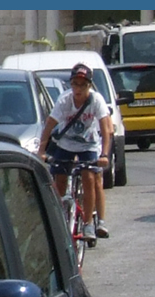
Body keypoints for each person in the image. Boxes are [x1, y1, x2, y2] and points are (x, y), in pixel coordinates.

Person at [37, 63, 113, 244]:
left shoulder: (96, 100)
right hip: (66, 144)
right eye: (75, 84)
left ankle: (88, 223)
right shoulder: (64, 101)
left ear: (89, 86)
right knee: (60, 180)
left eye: (83, 85)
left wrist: (104, 154)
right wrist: (41, 151)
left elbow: (105, 128)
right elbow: (49, 125)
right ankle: (59, 218)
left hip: (89, 145)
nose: (78, 89)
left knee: (89, 177)